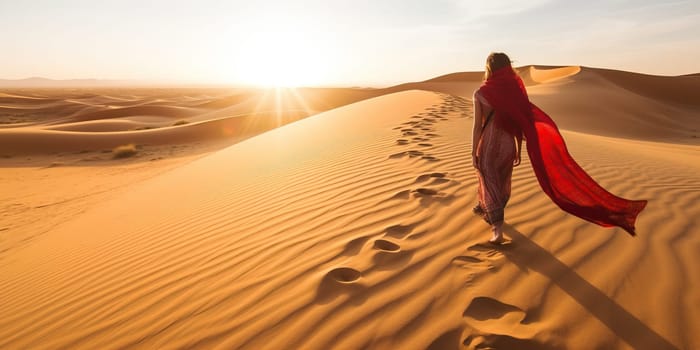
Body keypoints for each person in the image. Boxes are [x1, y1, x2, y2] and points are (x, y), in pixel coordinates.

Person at [471, 52, 647, 244]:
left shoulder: (480, 94)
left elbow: (477, 126)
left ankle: (497, 229)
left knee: (489, 182)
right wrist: (519, 147)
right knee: (501, 182)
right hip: (507, 147)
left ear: (489, 68)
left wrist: (474, 151)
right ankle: (488, 210)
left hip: (487, 147)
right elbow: (521, 122)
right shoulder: (513, 92)